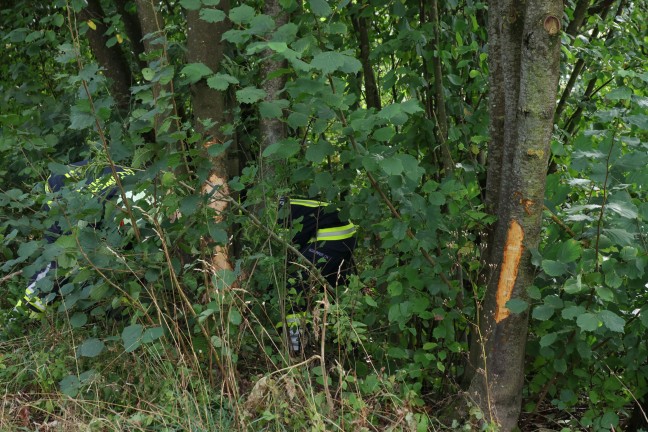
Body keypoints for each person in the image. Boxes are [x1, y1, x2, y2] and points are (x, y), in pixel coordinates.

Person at [13, 160, 137, 318]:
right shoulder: (92, 212)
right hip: (64, 191)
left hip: (93, 180)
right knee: (64, 258)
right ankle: (21, 315)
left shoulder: (142, 192)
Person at [277, 196, 357, 355]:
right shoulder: (286, 205)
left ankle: (297, 344)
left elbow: (294, 243)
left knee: (296, 282)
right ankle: (337, 343)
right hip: (341, 233)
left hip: (334, 233)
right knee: (328, 291)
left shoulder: (279, 213)